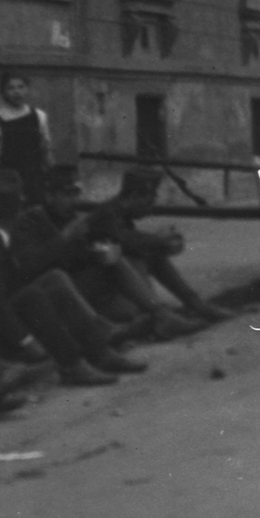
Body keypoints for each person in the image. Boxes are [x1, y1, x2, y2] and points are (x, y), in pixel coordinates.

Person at [11, 166, 197, 341]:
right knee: (127, 310)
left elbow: (81, 258)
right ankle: (154, 318)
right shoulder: (30, 221)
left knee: (119, 272)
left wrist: (96, 252)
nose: (74, 201)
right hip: (52, 295)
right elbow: (28, 267)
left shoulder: (75, 219)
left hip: (81, 288)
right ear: (49, 196)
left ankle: (159, 315)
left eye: (76, 193)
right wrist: (65, 238)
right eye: (67, 194)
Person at [0, 171, 147, 387]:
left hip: (18, 296)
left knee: (54, 280)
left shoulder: (17, 226)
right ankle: (75, 362)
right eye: (12, 199)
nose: (21, 200)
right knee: (35, 293)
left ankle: (98, 354)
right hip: (8, 309)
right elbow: (24, 269)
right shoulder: (27, 223)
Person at [88, 168, 233, 325]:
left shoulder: (118, 213)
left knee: (152, 254)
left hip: (110, 288)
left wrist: (161, 243)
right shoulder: (107, 215)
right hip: (98, 294)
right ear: (135, 195)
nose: (151, 207)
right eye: (149, 200)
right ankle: (169, 313)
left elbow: (132, 241)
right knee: (144, 256)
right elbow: (125, 241)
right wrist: (158, 240)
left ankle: (195, 304)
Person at [0, 71, 51, 205]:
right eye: (11, 88)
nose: (16, 92)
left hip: (34, 179)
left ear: (27, 89)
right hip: (7, 180)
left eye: (20, 87)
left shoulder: (39, 116)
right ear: (3, 91)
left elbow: (45, 148)